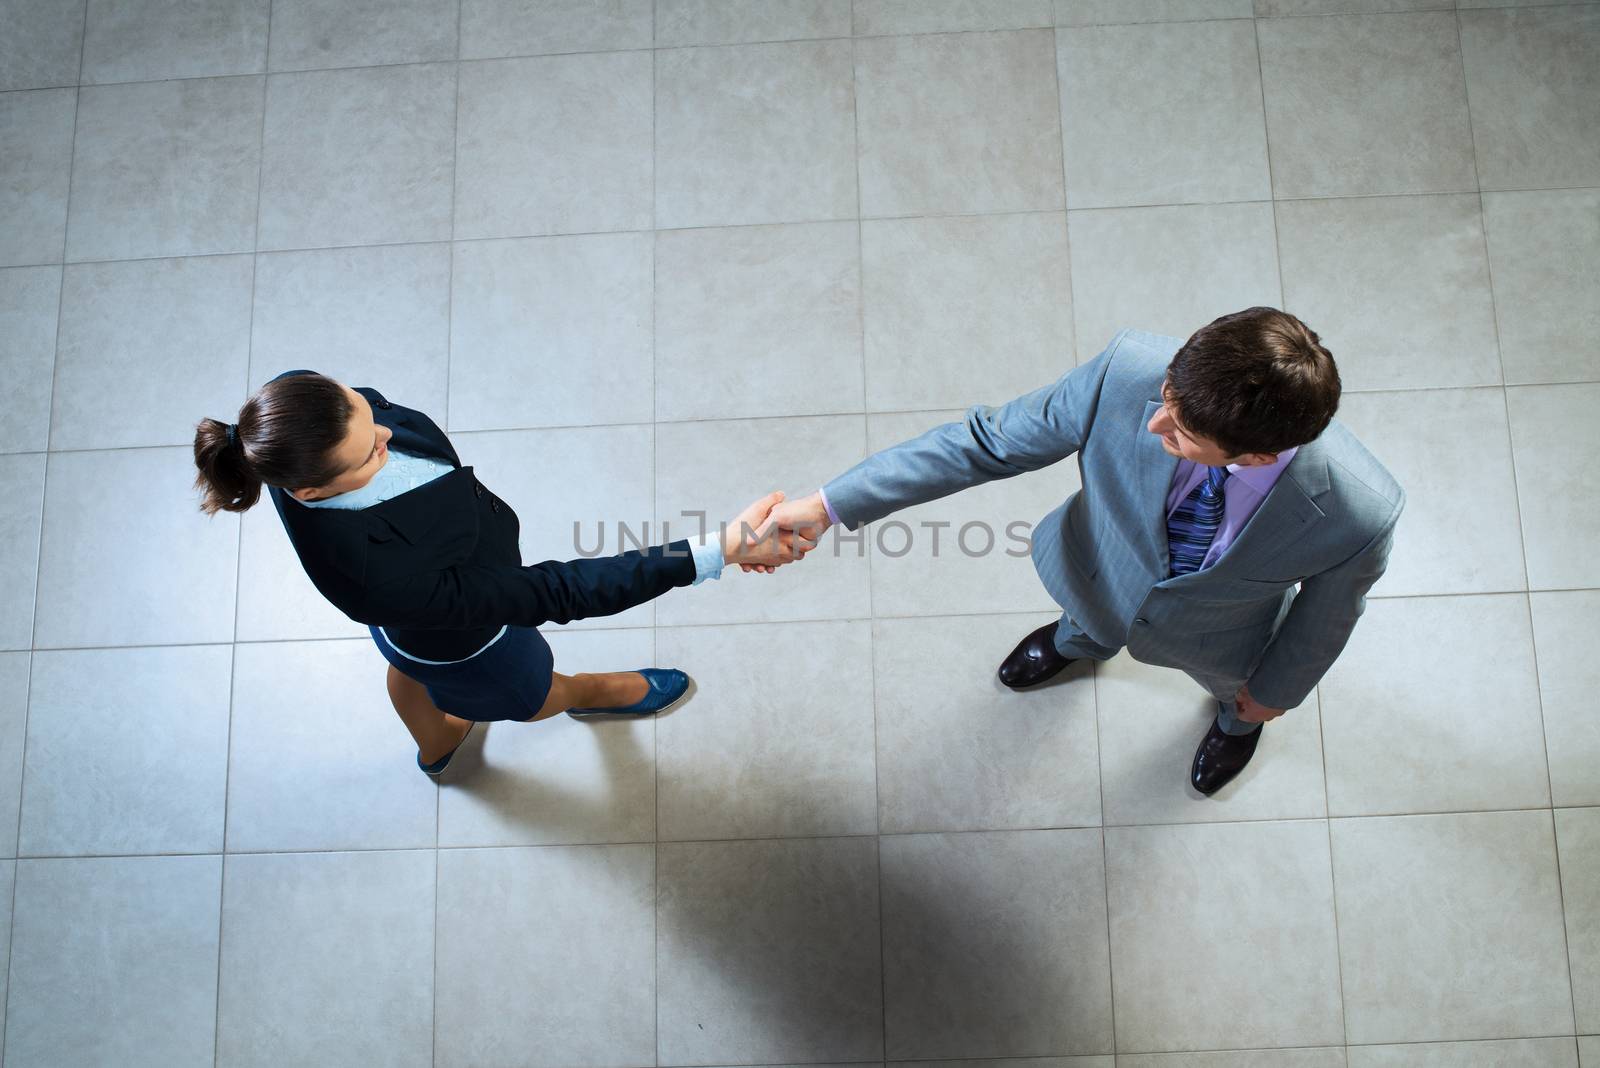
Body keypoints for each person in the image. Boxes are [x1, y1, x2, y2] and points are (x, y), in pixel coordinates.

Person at [768, 308, 1403, 795]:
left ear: (1258, 457)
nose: (1154, 423)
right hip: (1097, 571)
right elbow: (982, 444)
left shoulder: (1359, 513)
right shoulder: (1124, 373)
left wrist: (1271, 695)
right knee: (1089, 622)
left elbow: (1326, 620)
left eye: (1180, 432)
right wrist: (828, 507)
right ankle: (1076, 643)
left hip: (1225, 638)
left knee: (1238, 695)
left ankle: (1237, 727)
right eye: (1168, 397)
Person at [193, 370, 803, 777]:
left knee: (405, 661)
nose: (386, 431)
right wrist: (717, 549)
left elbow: (365, 420)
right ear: (309, 487)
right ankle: (584, 694)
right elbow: (556, 590)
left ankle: (438, 744)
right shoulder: (379, 576)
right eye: (371, 451)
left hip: (415, 623)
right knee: (531, 690)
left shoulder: (295, 422)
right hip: (468, 640)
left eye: (363, 409)